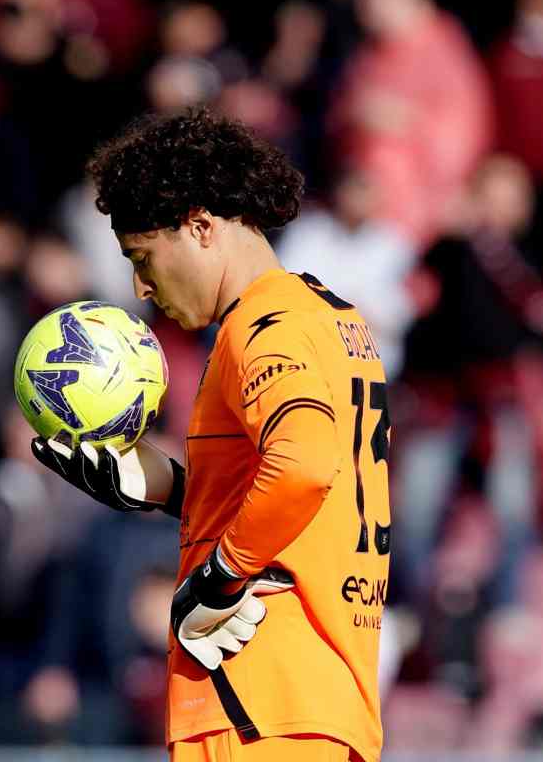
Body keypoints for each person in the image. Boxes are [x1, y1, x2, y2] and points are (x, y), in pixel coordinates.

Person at [31, 108, 390, 762]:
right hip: (315, 702)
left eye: (143, 257)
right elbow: (309, 492)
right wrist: (169, 489)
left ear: (199, 226)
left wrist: (219, 578)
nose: (141, 285)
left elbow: (305, 466)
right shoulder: (327, 318)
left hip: (257, 704)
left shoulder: (262, 327)